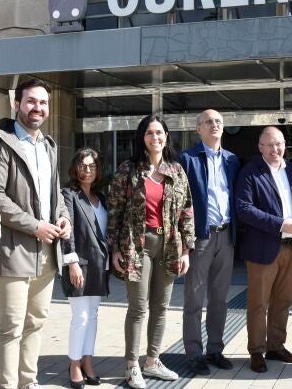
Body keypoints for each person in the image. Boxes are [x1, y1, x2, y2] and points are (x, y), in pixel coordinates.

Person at [0, 79, 71, 389]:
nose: (38, 108)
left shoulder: (48, 146)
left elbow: (55, 194)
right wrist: (35, 225)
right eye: (31, 101)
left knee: (36, 321)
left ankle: (28, 381)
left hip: (47, 250)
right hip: (13, 251)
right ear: (17, 104)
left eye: (43, 103)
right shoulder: (0, 144)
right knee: (11, 326)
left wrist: (63, 217)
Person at [109, 114, 195, 389]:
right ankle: (132, 365)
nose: (155, 137)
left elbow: (186, 211)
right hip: (137, 245)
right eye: (149, 133)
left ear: (166, 136)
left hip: (169, 244)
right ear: (142, 138)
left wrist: (186, 250)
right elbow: (115, 210)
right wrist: (114, 248)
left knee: (161, 307)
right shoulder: (128, 170)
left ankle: (152, 361)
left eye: (159, 132)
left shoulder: (176, 171)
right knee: (138, 308)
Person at [234, 126, 292, 373]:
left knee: (283, 301)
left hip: (291, 247)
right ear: (260, 147)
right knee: (258, 303)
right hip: (262, 248)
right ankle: (256, 350)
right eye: (269, 145)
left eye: (279, 144)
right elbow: (244, 209)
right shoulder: (250, 172)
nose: (275, 149)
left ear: (284, 145)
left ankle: (276, 346)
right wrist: (279, 224)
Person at [179, 109, 240, 375]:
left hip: (226, 235)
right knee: (194, 298)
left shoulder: (232, 160)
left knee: (220, 298)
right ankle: (194, 354)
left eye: (218, 121)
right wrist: (184, 241)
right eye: (208, 122)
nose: (214, 125)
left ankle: (215, 349)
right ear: (198, 129)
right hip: (200, 237)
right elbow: (180, 202)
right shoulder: (187, 159)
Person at [61, 148, 110, 388]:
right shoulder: (69, 194)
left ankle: (88, 362)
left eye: (92, 166)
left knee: (92, 316)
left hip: (99, 265)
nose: (87, 170)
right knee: (80, 317)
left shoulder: (101, 197)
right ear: (75, 168)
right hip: (79, 264)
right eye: (83, 166)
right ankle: (74, 364)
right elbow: (67, 230)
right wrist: (72, 263)